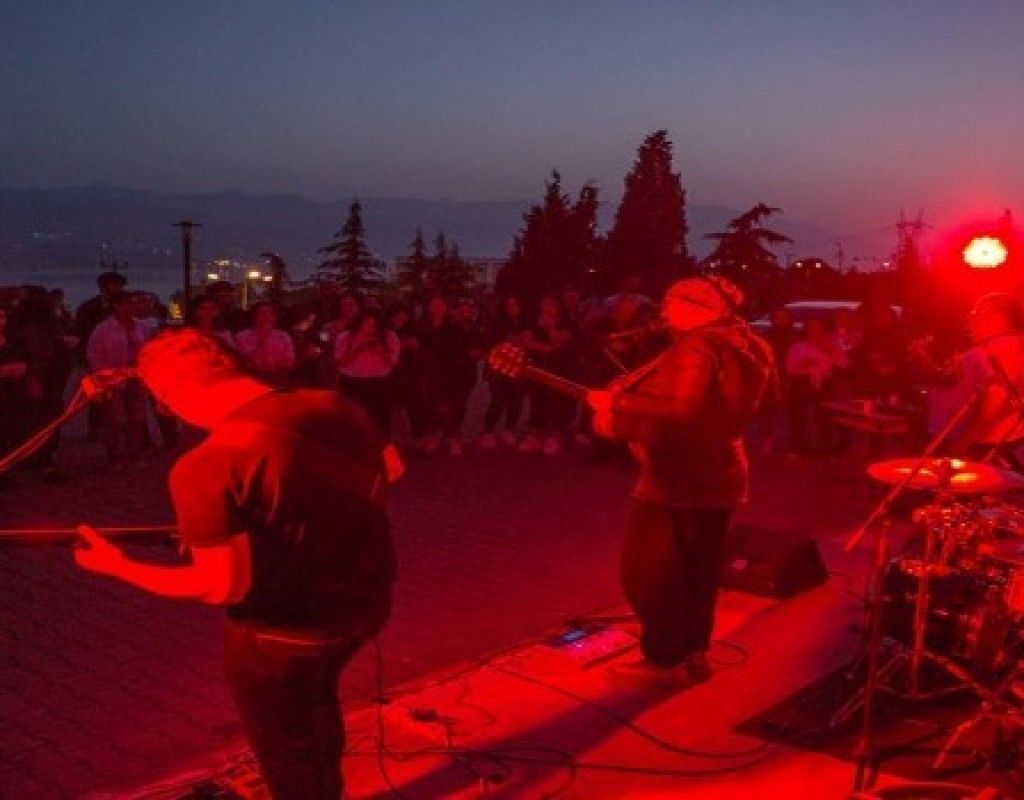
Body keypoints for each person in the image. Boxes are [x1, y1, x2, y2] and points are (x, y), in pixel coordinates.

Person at [72, 329, 396, 799]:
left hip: (284, 635)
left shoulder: (207, 465)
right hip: (366, 603)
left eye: (163, 400)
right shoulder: (334, 405)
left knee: (288, 748)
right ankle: (326, 780)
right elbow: (392, 470)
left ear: (174, 391)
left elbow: (220, 585)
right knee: (317, 705)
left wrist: (118, 566)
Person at [586, 276, 774, 686]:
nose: (664, 311)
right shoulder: (751, 345)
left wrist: (617, 400)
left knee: (643, 574)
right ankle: (694, 654)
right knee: (699, 572)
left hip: (678, 477)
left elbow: (683, 408)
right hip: (723, 472)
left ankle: (664, 658)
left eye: (671, 303)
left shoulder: (699, 345)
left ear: (697, 309)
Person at [946, 293, 1024, 467]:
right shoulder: (1009, 345)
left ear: (998, 318)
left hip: (990, 449)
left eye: (976, 313)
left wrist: (963, 443)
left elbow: (996, 402)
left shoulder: (1002, 348)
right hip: (996, 445)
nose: (970, 320)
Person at [86, 289, 151, 464]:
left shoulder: (142, 326)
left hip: (136, 376)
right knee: (114, 418)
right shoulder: (104, 329)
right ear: (117, 306)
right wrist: (102, 375)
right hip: (113, 377)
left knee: (137, 416)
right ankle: (116, 455)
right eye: (128, 303)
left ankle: (134, 452)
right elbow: (93, 353)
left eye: (134, 303)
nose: (132, 307)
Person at [75, 271, 127, 440]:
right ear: (104, 287)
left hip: (120, 357)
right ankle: (97, 428)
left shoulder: (124, 307)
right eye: (115, 285)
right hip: (98, 357)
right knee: (99, 392)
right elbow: (82, 332)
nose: (118, 289)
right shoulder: (89, 308)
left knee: (120, 394)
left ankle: (117, 426)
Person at [334, 309, 400, 438]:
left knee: (379, 419)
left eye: (374, 325)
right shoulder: (346, 337)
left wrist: (382, 350)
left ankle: (380, 445)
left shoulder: (388, 336)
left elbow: (392, 363)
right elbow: (341, 363)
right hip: (352, 382)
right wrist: (356, 348)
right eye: (367, 324)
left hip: (378, 382)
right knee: (351, 419)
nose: (370, 328)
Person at [479, 294, 528, 448]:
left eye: (515, 304)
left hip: (518, 368)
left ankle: (509, 430)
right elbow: (491, 343)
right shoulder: (497, 324)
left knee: (517, 399)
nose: (512, 308)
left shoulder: (525, 323)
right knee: (498, 399)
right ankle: (488, 431)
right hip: (499, 368)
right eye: (509, 305)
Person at [234, 302, 296, 388]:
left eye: (270, 313)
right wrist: (262, 340)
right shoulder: (242, 336)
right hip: (250, 379)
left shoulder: (283, 336)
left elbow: (289, 360)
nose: (266, 316)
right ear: (254, 316)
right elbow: (242, 360)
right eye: (262, 313)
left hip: (277, 379)